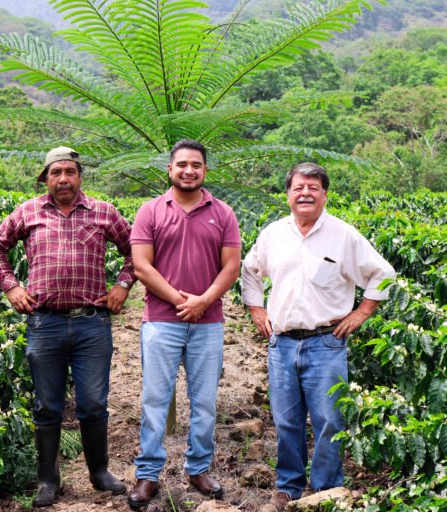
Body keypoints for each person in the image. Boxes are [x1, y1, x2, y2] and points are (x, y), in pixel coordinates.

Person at [0, 146, 135, 507]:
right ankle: (48, 481)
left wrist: (122, 284)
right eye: (56, 173)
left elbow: (137, 250)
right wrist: (12, 286)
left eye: (70, 172)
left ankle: (99, 473)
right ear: (46, 178)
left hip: (92, 324)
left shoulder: (103, 212)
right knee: (47, 406)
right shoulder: (28, 211)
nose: (63, 179)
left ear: (80, 176)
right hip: (44, 323)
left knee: (94, 404)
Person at [241, 162, 395, 510]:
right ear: (288, 194)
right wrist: (256, 309)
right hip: (281, 344)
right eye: (298, 187)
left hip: (326, 342)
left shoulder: (344, 235)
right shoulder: (273, 234)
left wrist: (362, 312)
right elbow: (249, 271)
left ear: (325, 194)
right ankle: (289, 487)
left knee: (328, 420)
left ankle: (326, 489)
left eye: (313, 187)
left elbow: (383, 274)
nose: (305, 193)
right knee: (285, 420)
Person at [127, 139, 241, 509]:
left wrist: (204, 301)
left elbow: (231, 266)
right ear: (170, 170)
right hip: (161, 321)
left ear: (205, 170)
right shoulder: (150, 211)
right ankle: (148, 475)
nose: (189, 170)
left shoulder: (222, 212)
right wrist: (181, 301)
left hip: (208, 324)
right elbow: (142, 265)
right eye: (182, 165)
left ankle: (198, 468)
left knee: (205, 402)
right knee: (155, 400)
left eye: (196, 164)